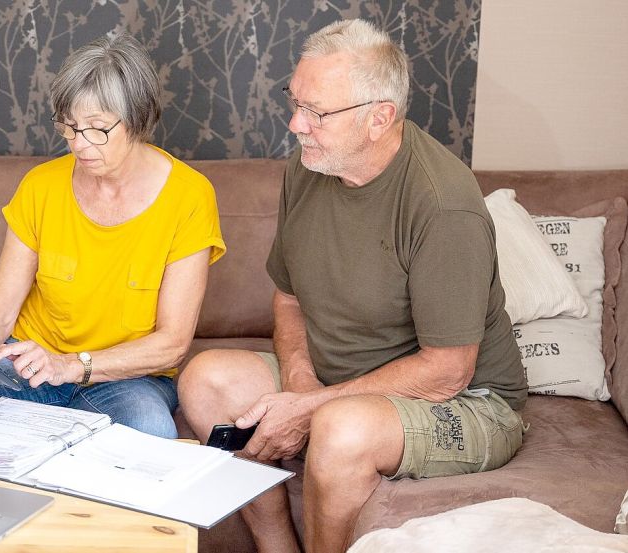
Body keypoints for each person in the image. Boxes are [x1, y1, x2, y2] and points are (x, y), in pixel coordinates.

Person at [178, 19, 527, 553]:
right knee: (206, 379)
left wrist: (315, 409)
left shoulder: (442, 206)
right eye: (295, 102)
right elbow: (289, 297)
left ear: (378, 118)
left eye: (316, 112)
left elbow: (447, 370)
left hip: (468, 402)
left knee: (342, 428)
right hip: (341, 378)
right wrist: (299, 384)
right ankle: (277, 546)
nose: (296, 124)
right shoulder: (309, 167)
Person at [0, 33, 226, 439]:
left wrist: (71, 365)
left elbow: (171, 343)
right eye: (70, 126)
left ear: (138, 119)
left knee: (150, 432)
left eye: (97, 129)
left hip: (127, 378)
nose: (78, 144)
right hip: (29, 364)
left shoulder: (189, 196)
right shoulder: (41, 186)